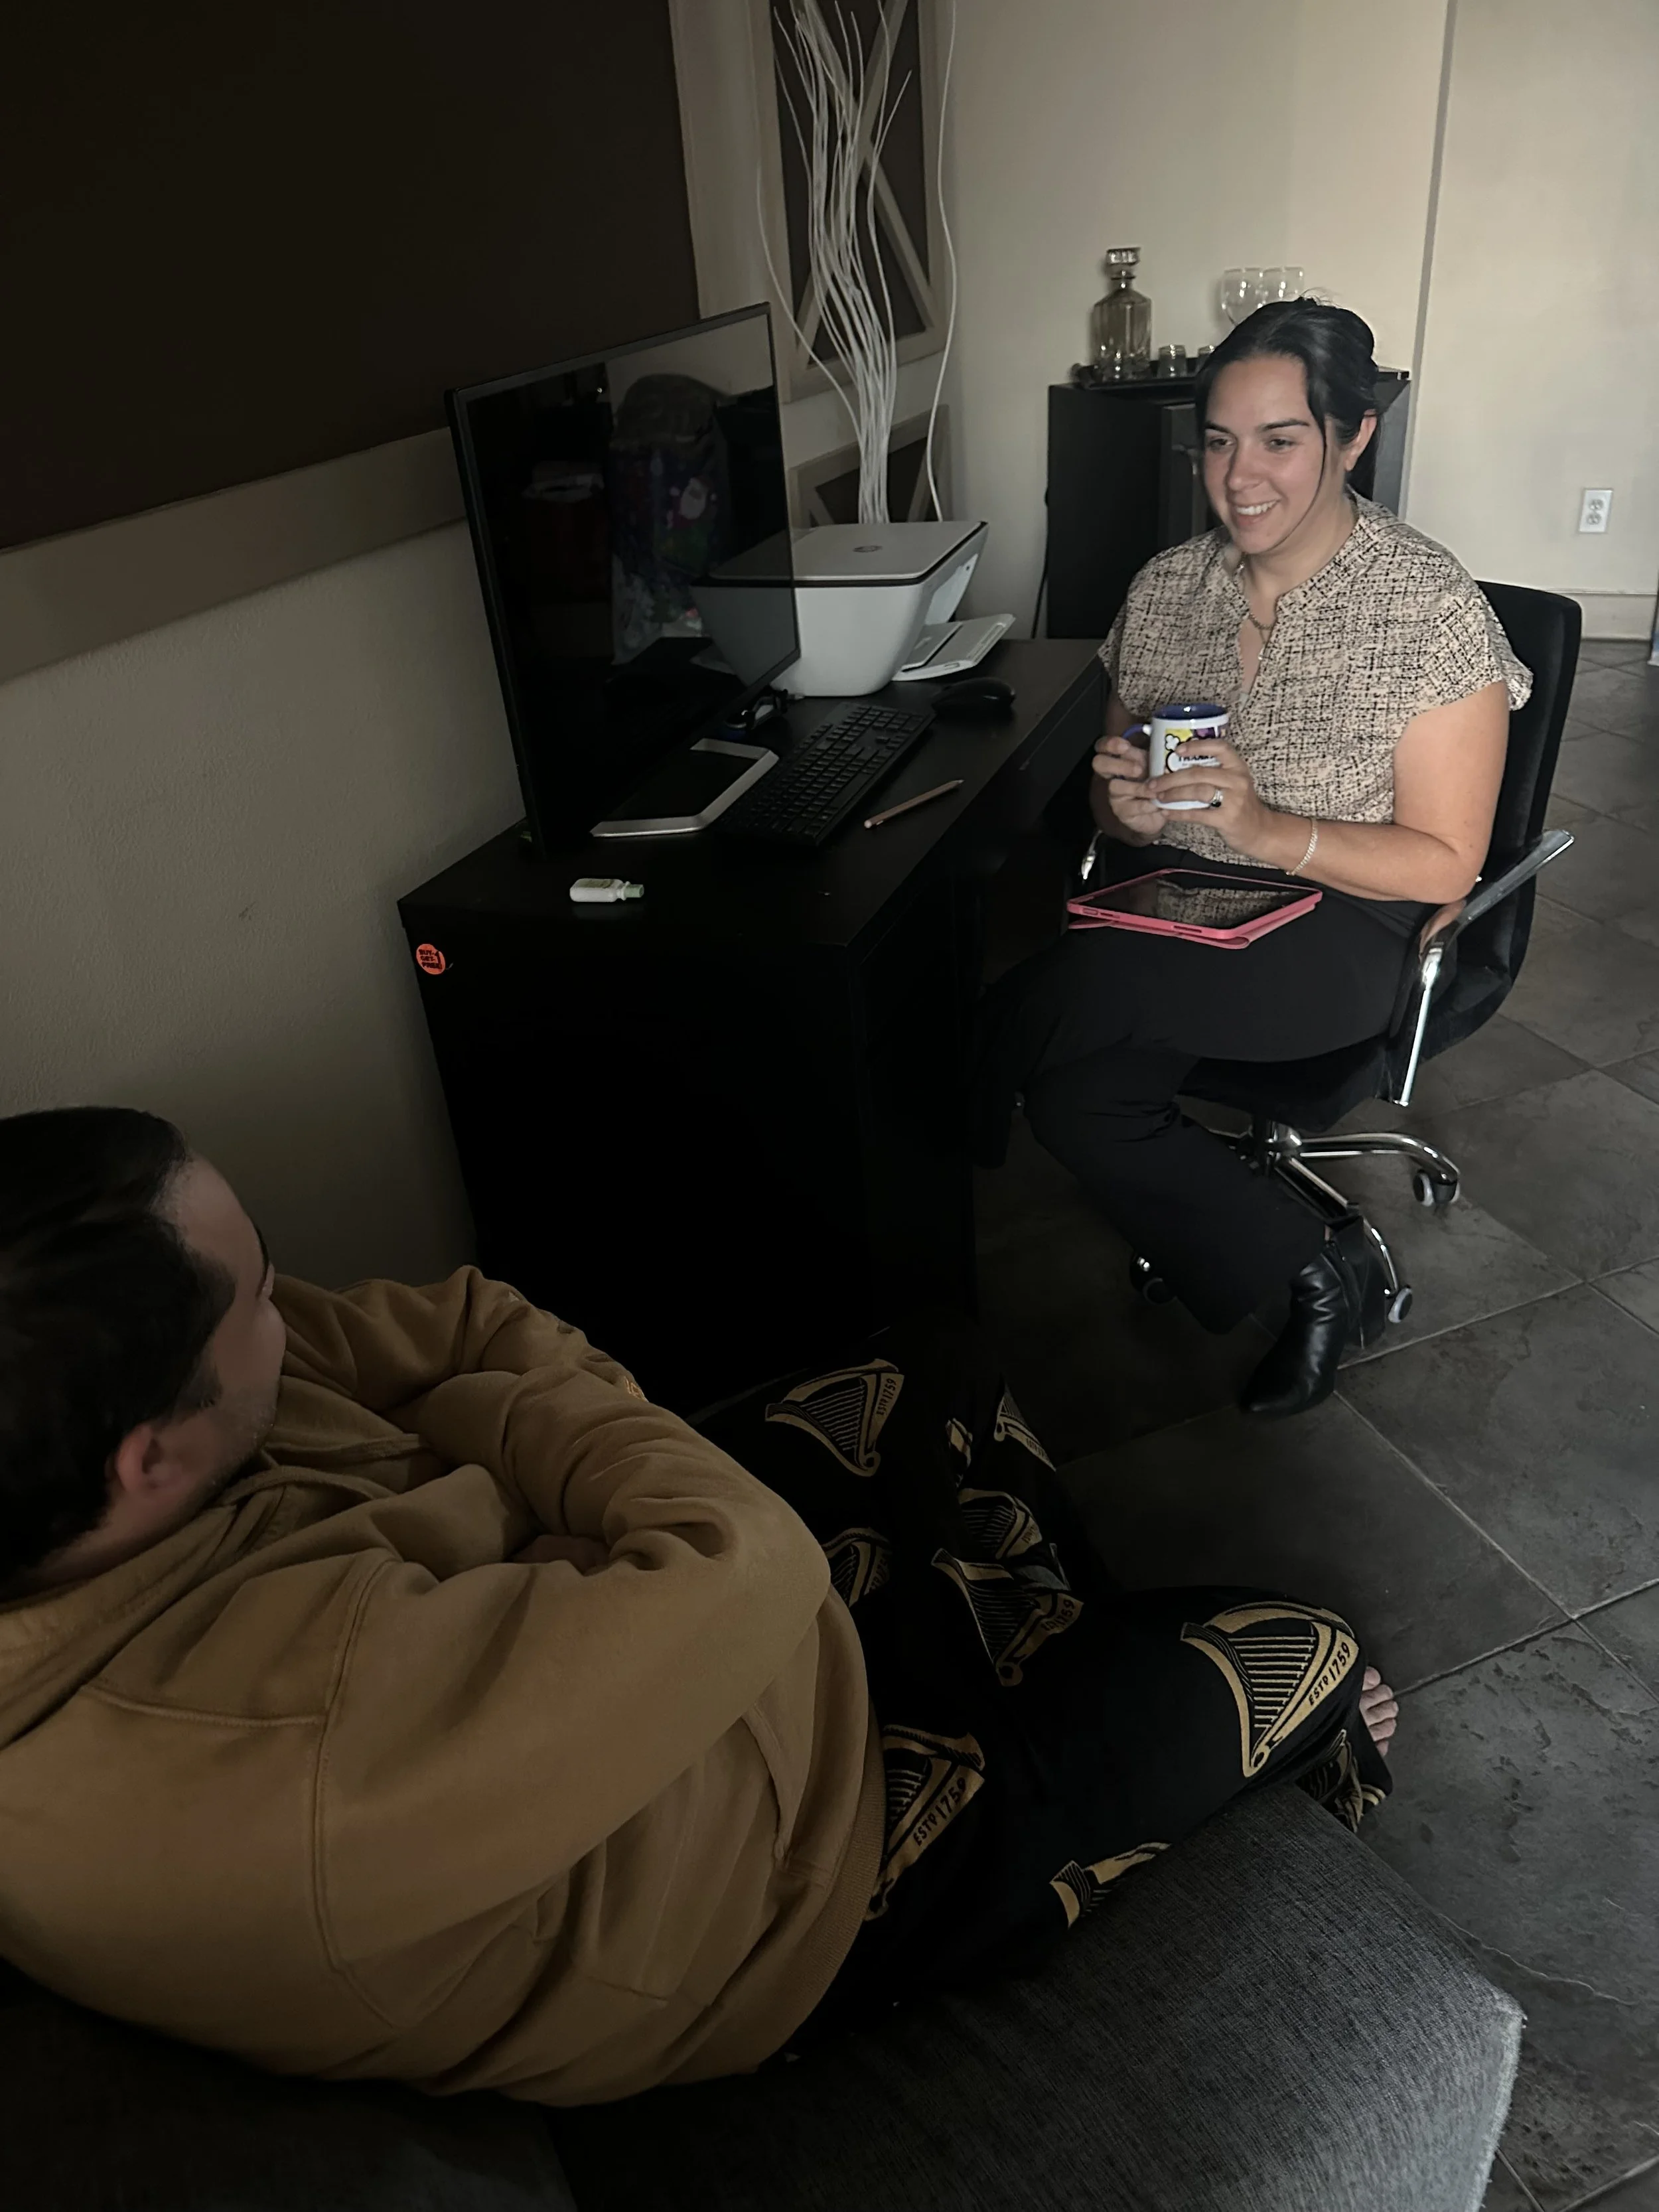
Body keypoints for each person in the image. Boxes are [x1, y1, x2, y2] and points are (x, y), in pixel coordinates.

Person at [0, 1106, 1397, 2104]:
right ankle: (1135, 1711)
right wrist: (539, 1450)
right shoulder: (276, 1751)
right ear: (150, 1459)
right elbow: (747, 1560)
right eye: (256, 1299)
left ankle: (1027, 1642)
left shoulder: (101, 1462)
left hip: (666, 1625)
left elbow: (475, 1318)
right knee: (1307, 1650)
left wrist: (541, 1458)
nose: (292, 1312)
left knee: (941, 1361)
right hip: (798, 1883)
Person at [975, 299, 1532, 1419]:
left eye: (1280, 440)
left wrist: (1269, 830)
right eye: (1219, 442)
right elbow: (1116, 800)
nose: (1241, 477)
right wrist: (1121, 800)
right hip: (1176, 898)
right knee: (1081, 1101)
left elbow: (1443, 864)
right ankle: (1318, 1270)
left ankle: (923, 1110)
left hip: (1347, 920)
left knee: (1065, 997)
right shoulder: (1169, 587)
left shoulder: (1429, 612)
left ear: (1353, 436)